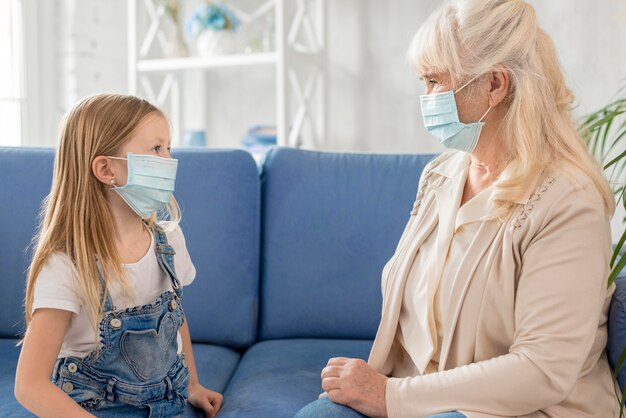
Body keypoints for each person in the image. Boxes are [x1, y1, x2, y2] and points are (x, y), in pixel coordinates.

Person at [295, 0, 618, 417]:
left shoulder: (569, 201)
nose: (425, 97)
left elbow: (542, 370)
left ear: (495, 85)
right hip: (425, 396)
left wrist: (389, 397)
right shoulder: (441, 174)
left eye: (434, 81)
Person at [14, 94, 223, 417]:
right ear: (105, 168)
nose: (169, 161)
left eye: (169, 148)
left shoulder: (169, 241)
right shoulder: (66, 264)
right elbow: (30, 385)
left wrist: (192, 385)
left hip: (168, 401)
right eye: (156, 149)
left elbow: (176, 319)